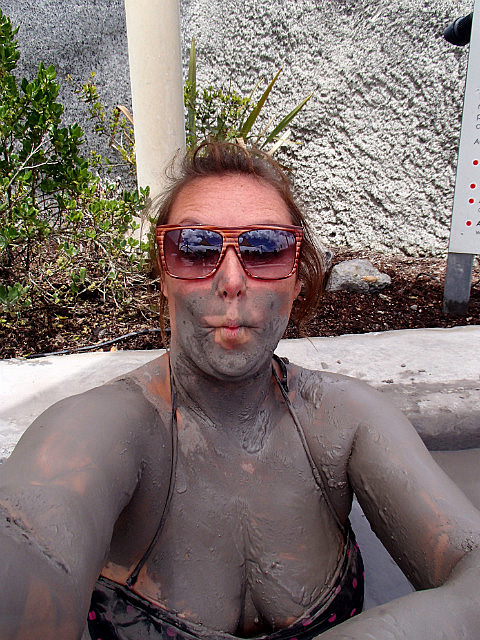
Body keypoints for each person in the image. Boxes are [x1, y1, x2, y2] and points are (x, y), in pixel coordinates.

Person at [1, 141, 480, 640]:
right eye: (194, 248)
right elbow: (31, 544)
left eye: (266, 249)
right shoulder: (107, 428)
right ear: (163, 276)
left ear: (297, 280)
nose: (231, 280)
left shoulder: (343, 420)